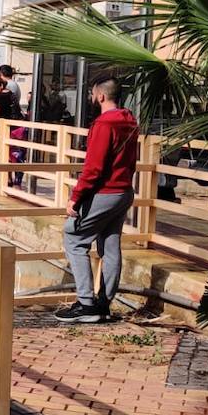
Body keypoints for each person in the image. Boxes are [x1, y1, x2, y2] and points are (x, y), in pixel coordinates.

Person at [56, 79, 139, 324]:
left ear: (101, 96)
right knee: (110, 246)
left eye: (92, 93)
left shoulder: (104, 124)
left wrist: (76, 197)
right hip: (123, 191)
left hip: (104, 192)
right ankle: (104, 303)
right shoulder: (130, 122)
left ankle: (86, 304)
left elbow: (93, 167)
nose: (91, 98)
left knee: (74, 239)